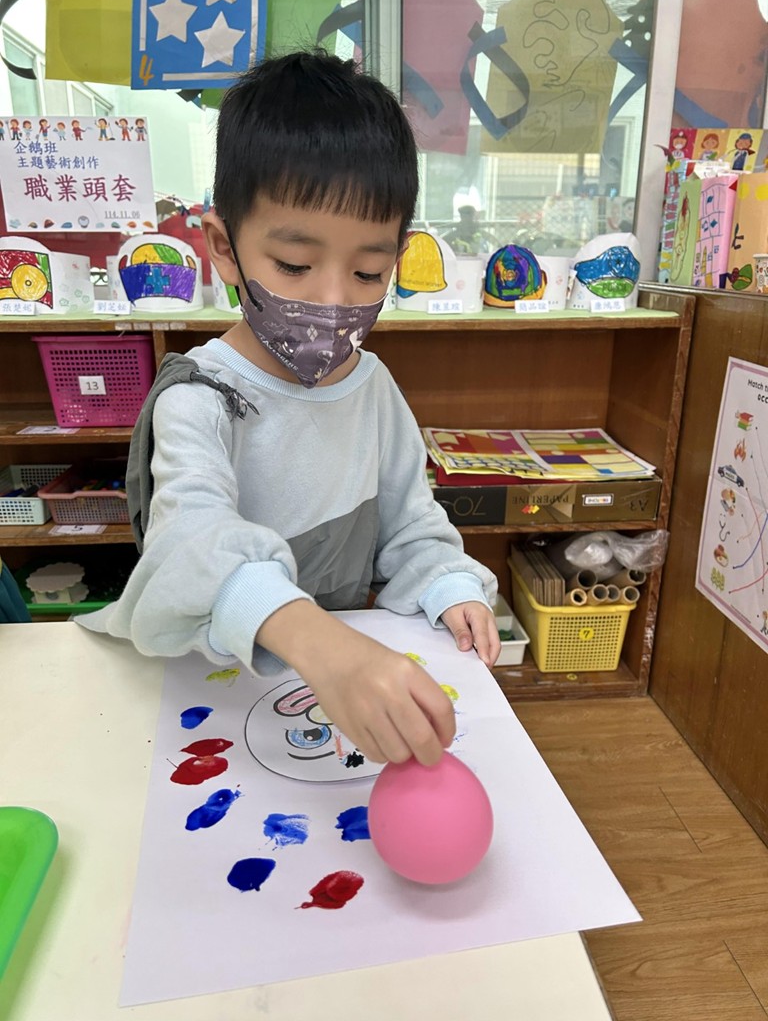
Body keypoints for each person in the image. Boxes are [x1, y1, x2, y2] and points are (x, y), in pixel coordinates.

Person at [77, 50, 500, 767]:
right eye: (295, 266)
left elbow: (412, 523)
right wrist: (322, 646)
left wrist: (450, 585)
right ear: (224, 246)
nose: (334, 300)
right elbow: (189, 542)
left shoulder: (373, 387)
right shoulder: (200, 397)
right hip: (211, 684)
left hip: (330, 688)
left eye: (368, 271)